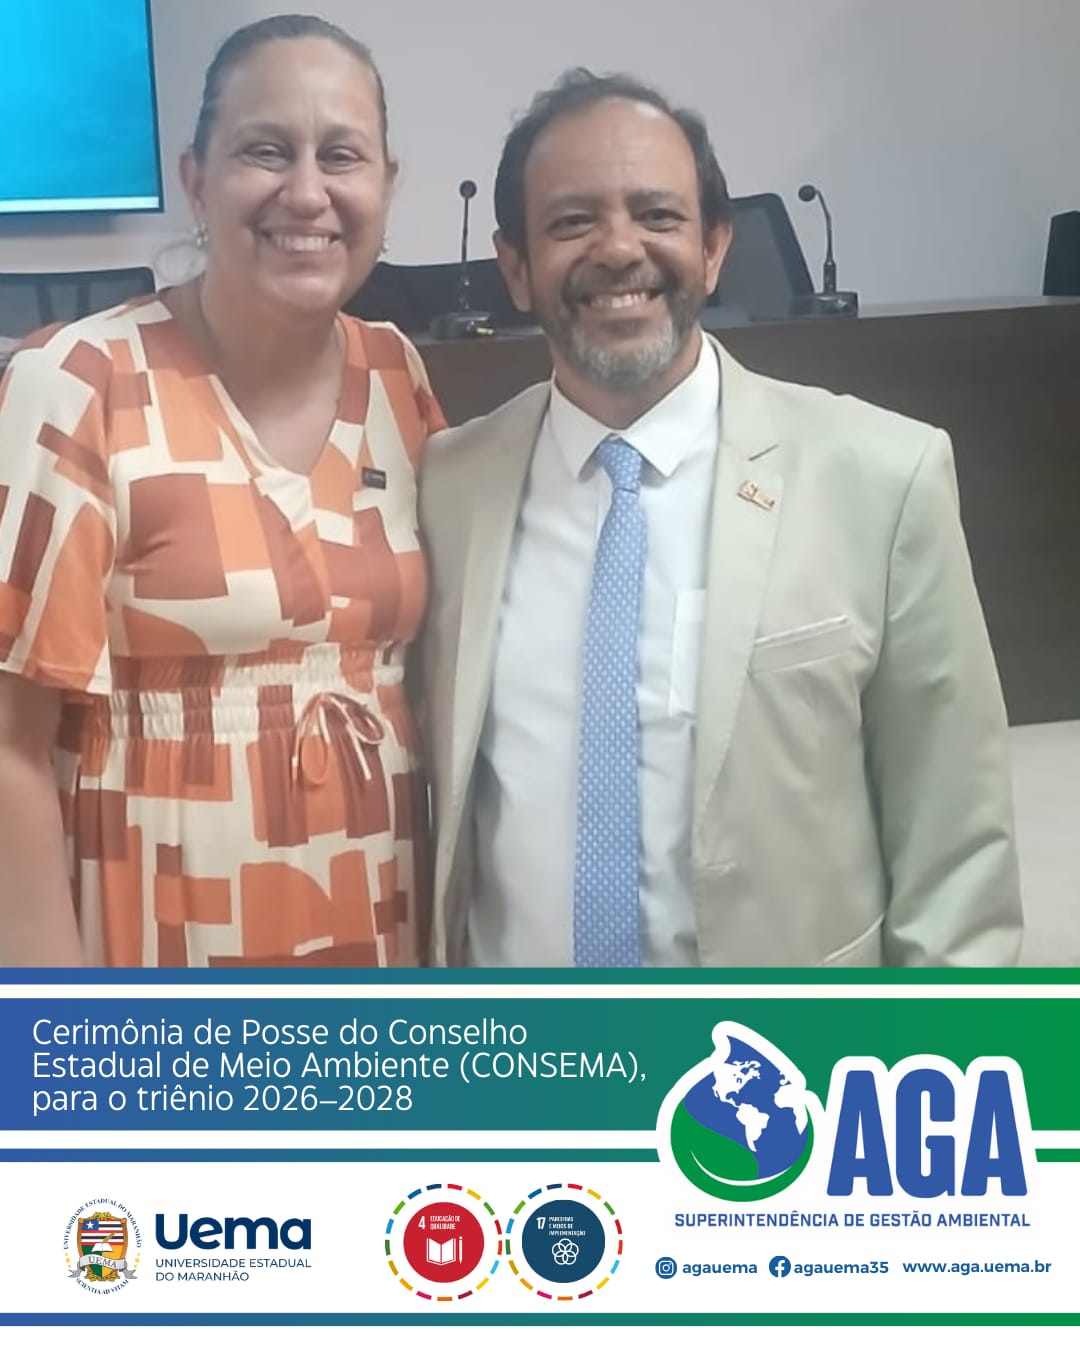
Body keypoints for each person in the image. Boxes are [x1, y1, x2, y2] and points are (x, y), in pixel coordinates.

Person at [419, 70, 1022, 968]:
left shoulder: (883, 476)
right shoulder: (449, 485)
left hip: (780, 1046)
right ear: (515, 267)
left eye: (658, 215)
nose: (619, 249)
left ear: (712, 248)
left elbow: (957, 851)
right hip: (523, 1042)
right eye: (573, 221)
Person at [0, 15, 443, 967]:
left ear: (387, 184)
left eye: (342, 155)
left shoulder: (396, 373)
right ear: (196, 179)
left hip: (379, 921)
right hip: (159, 938)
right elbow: (7, 747)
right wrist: (51, 1023)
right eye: (265, 151)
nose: (307, 192)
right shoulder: (78, 382)